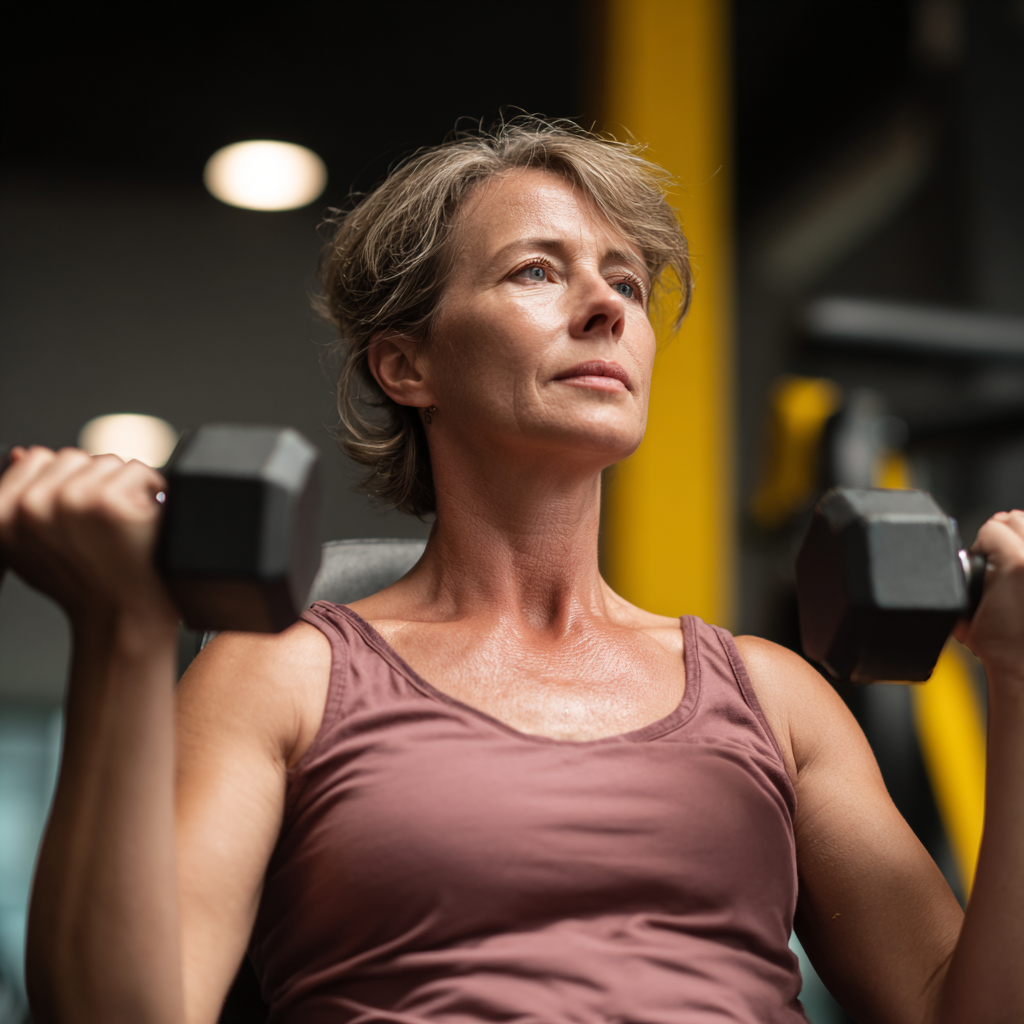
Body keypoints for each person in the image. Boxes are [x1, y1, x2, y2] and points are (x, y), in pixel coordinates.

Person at [0, 119, 1021, 1024]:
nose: (607, 307)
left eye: (626, 281)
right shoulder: (279, 676)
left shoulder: (775, 697)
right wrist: (120, 631)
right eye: (537, 271)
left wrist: (1018, 681)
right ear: (406, 365)